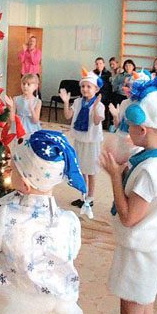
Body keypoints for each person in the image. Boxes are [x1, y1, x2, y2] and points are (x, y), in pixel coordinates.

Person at [0, 130, 85, 314]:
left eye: (12, 168)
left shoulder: (2, 216)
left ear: (25, 184)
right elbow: (69, 255)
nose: (8, 170)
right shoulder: (70, 222)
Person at [99, 79, 157, 314]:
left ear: (142, 129)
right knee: (145, 312)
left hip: (142, 254)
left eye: (130, 127)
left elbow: (129, 217)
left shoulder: (150, 171)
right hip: (156, 249)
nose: (128, 133)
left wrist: (115, 176)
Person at [60, 68, 105, 217]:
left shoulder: (99, 105)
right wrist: (66, 102)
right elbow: (67, 116)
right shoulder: (78, 102)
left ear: (96, 89)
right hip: (79, 139)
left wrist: (95, 107)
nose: (85, 89)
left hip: (91, 142)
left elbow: (97, 121)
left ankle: (90, 198)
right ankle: (83, 196)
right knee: (81, 169)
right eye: (83, 86)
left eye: (88, 86)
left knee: (91, 170)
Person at [10, 73, 42, 138]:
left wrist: (32, 110)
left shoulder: (37, 102)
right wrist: (10, 107)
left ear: (35, 87)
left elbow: (35, 121)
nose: (25, 86)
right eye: (23, 84)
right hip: (18, 125)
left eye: (28, 84)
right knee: (18, 141)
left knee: (29, 141)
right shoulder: (16, 99)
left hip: (31, 127)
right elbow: (12, 119)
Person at [94, 57, 113, 127]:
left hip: (106, 93)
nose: (98, 65)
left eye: (100, 63)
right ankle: (95, 121)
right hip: (96, 93)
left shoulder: (108, 73)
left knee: (104, 104)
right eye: (97, 64)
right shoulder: (93, 73)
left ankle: (104, 124)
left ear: (104, 64)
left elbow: (109, 86)